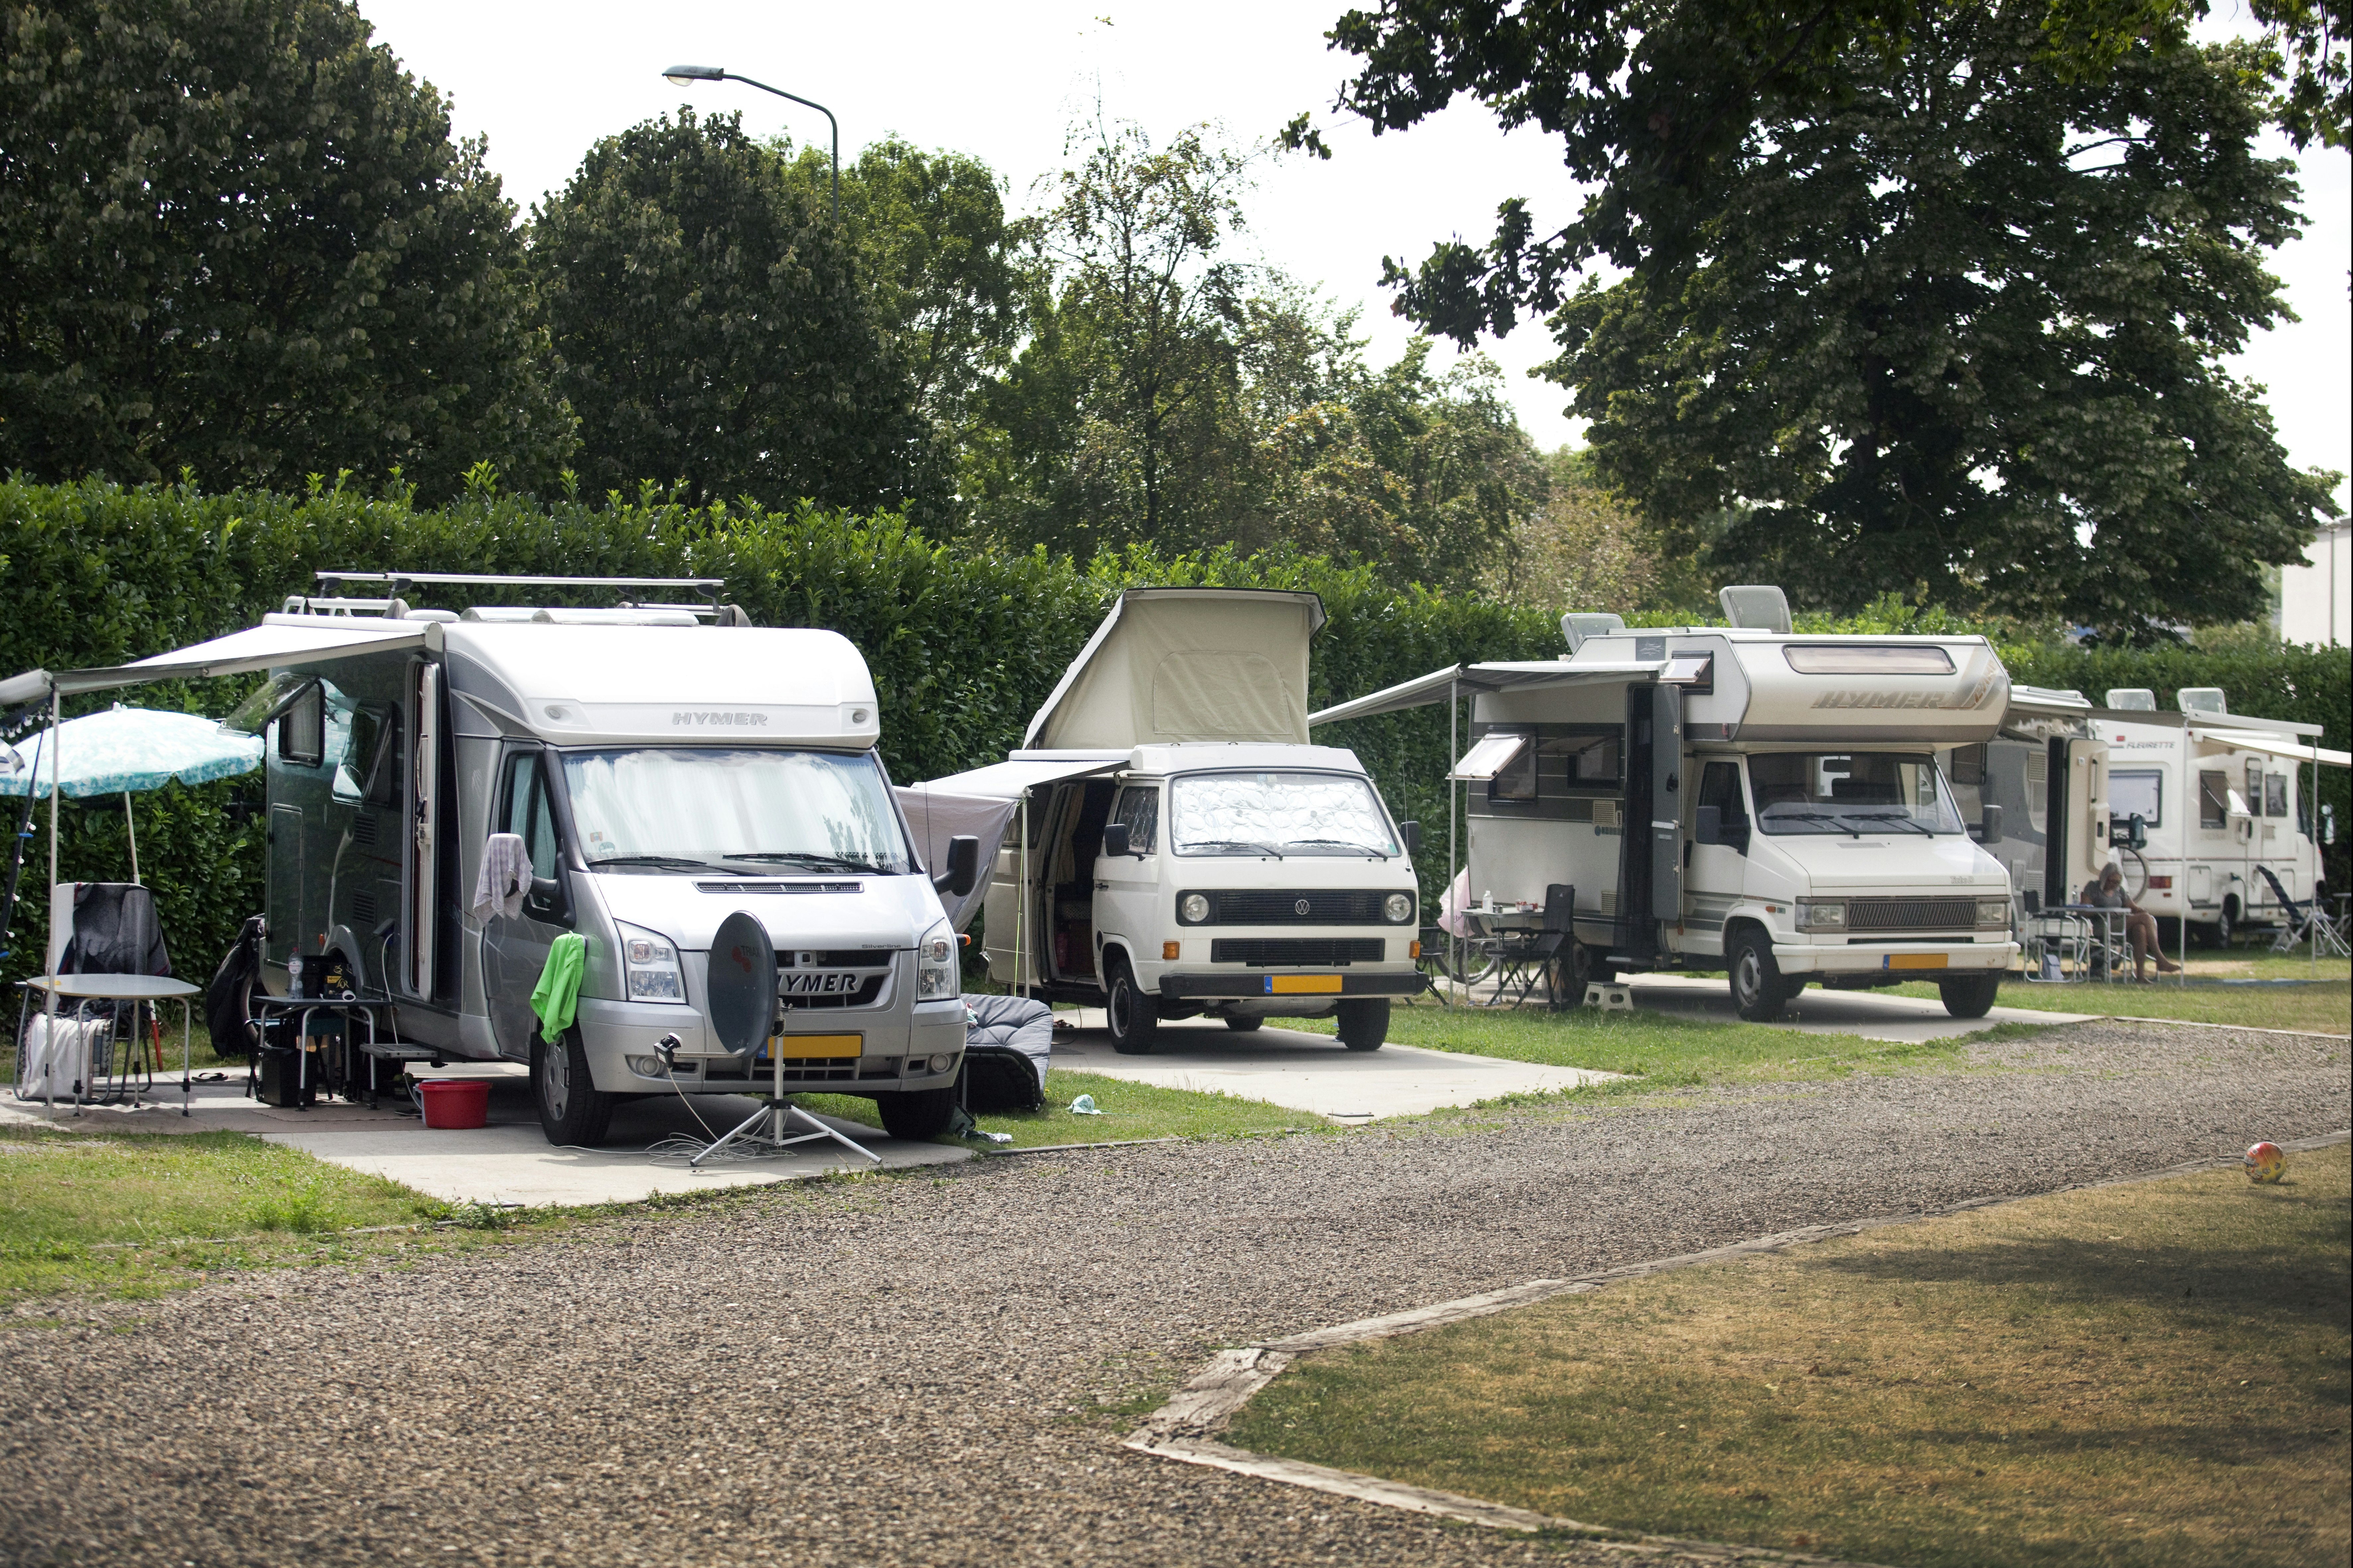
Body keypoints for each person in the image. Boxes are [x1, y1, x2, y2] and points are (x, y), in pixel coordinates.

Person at [2080, 862, 2181, 981]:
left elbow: (2132, 907)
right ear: (2104, 877)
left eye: (2117, 882)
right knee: (2145, 918)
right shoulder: (2093, 887)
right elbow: (2084, 911)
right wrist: (2103, 911)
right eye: (2111, 881)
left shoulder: (2119, 891)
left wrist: (2141, 910)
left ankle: (2141, 976)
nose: (2114, 885)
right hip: (2103, 924)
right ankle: (2160, 959)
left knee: (2140, 930)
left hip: (2120, 923)